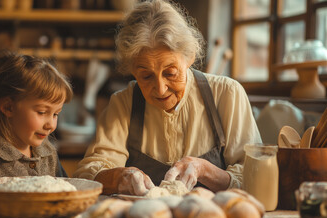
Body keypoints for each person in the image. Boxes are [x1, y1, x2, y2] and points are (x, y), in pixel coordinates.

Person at [73, 0, 261, 195]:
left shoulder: (227, 94)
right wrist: (120, 176)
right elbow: (87, 175)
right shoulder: (123, 103)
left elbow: (256, 177)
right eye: (146, 76)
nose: (161, 89)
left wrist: (204, 170)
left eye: (170, 73)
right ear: (132, 69)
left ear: (190, 57)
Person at [0, 51, 73, 183]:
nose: (51, 125)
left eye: (55, 114)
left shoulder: (48, 152)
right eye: (42, 112)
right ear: (8, 107)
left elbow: (65, 194)